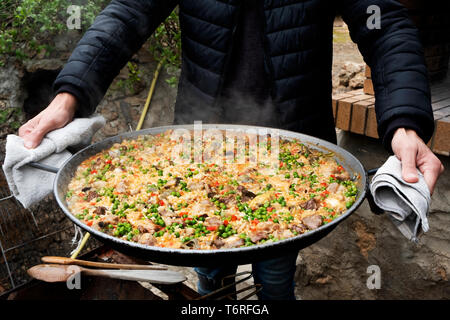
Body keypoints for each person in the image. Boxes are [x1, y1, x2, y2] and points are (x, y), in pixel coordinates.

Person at [18, 0, 444, 299]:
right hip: (196, 146)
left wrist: (404, 122)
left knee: (275, 279)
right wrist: (68, 97)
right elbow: (129, 12)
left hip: (293, 153)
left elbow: (384, 22)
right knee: (210, 276)